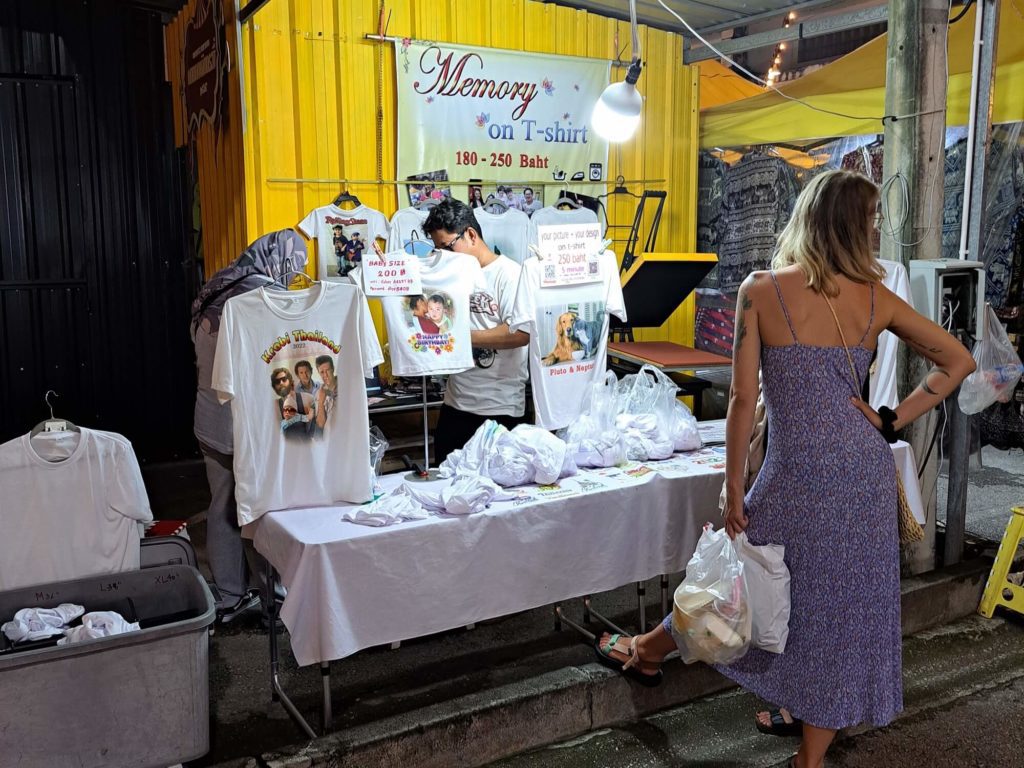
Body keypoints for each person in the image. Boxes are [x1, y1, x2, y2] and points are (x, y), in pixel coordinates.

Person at [594, 170, 976, 768]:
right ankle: (810, 756)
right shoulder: (876, 296)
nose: (877, 232)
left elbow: (743, 401)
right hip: (862, 474)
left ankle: (646, 651)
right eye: (873, 222)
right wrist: (891, 419)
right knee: (840, 610)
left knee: (732, 581)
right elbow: (958, 359)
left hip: (794, 471)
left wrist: (734, 485)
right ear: (855, 226)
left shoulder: (761, 290)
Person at [190, 228, 308, 624]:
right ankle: (271, 598)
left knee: (222, 505)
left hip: (208, 416)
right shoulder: (263, 298)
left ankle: (228, 597)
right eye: (296, 267)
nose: (294, 276)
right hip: (244, 424)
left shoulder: (217, 284)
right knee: (260, 509)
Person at [424, 198, 530, 461]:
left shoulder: (510, 275)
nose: (443, 258)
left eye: (447, 248)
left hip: (499, 408)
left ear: (470, 234)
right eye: (437, 250)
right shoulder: (450, 278)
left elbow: (520, 333)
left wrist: (460, 338)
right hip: (455, 404)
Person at [271, 368, 315, 441]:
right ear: (274, 386)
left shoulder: (308, 398)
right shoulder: (273, 406)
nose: (281, 383)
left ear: (290, 381)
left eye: (284, 379)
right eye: (277, 381)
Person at [315, 355, 337, 431]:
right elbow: (320, 424)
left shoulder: (346, 385)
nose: (325, 375)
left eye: (327, 370)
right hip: (328, 438)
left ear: (333, 369)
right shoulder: (319, 393)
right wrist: (321, 402)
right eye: (322, 372)